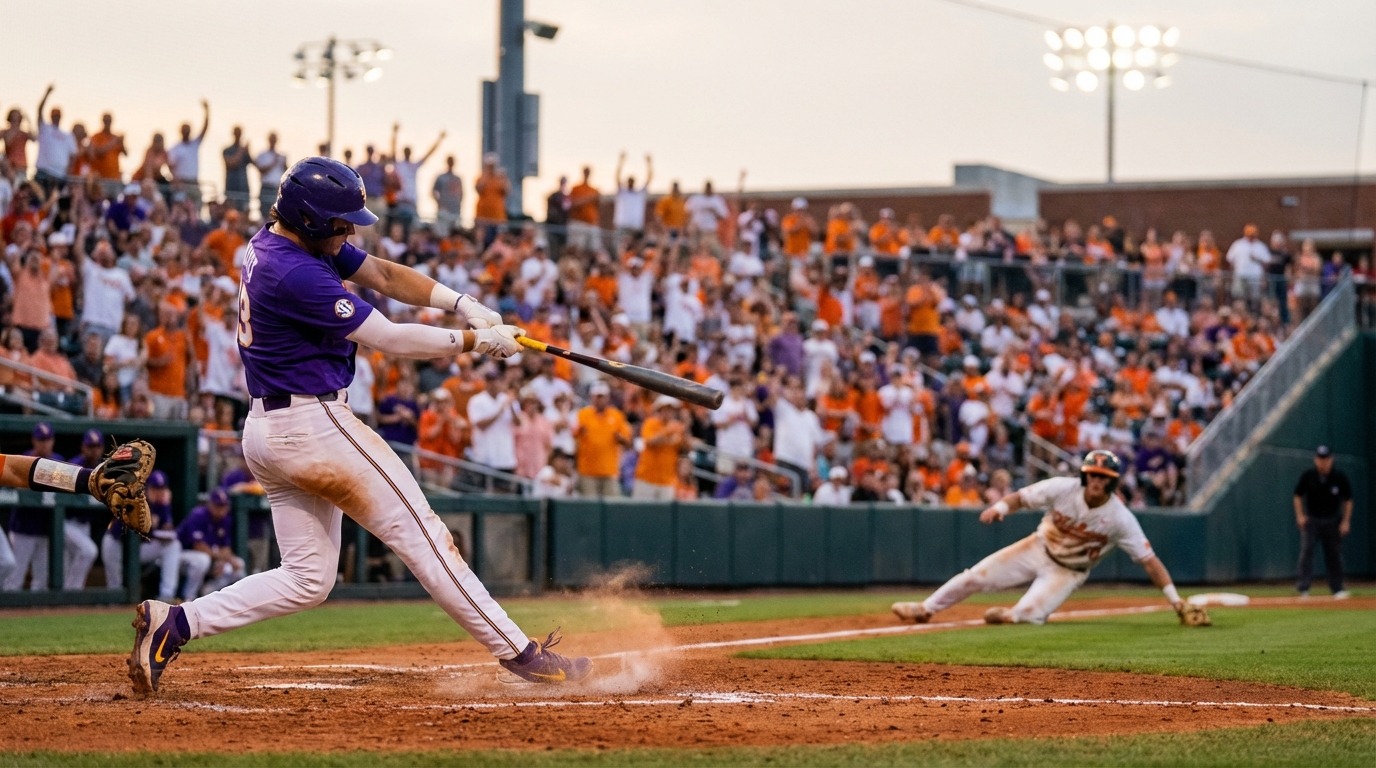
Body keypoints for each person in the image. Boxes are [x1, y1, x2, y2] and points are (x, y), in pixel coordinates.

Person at [126, 156, 591, 696]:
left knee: (307, 580)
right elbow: (389, 338)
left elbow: (385, 275)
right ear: (311, 220)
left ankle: (176, 624)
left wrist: (462, 304)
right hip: (312, 424)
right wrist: (475, 341)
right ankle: (523, 655)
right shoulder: (294, 271)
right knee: (425, 535)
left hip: (270, 429)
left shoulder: (287, 238)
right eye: (341, 223)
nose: (349, 231)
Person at [892, 451, 1194, 626]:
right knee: (976, 575)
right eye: (1092, 474)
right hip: (1037, 547)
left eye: (1103, 477)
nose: (1096, 481)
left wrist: (1176, 601)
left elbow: (1149, 561)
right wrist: (999, 507)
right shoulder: (1064, 487)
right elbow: (1021, 498)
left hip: (1068, 571)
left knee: (1028, 614)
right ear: (1084, 475)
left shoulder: (1120, 517)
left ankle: (1012, 615)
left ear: (1112, 482)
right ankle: (926, 608)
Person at [2, 423, 147, 592]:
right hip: (24, 527)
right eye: (41, 440)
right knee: (15, 576)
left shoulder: (58, 459)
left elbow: (38, 474)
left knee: (41, 580)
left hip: (45, 528)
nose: (44, 443)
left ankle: (62, 602)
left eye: (47, 439)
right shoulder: (26, 458)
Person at [102, 470, 181, 602]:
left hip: (139, 549)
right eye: (155, 488)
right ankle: (113, 600)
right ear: (146, 487)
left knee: (173, 545)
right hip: (118, 544)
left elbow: (167, 528)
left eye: (162, 488)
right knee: (114, 586)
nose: (158, 492)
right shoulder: (135, 498)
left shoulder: (162, 503)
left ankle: (166, 596)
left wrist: (165, 506)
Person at [1293, 445, 1352, 599]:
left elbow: (1348, 500)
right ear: (1315, 460)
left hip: (1332, 520)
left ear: (1331, 460)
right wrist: (1300, 515)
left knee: (1334, 554)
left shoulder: (1339, 477)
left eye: (1326, 459)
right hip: (1313, 519)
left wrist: (1346, 521)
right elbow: (1298, 495)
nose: (1323, 462)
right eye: (1320, 459)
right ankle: (1303, 588)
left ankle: (1337, 588)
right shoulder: (1308, 476)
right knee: (1307, 551)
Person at [176, 489, 245, 601]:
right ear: (210, 504)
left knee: (238, 565)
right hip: (182, 556)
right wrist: (220, 559)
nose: (221, 509)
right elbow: (198, 546)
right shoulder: (199, 515)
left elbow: (226, 548)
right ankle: (189, 597)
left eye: (224, 506)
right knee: (202, 560)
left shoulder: (226, 519)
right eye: (218, 506)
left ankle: (208, 593)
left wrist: (223, 560)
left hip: (210, 557)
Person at [573, 380, 631, 497]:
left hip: (609, 470)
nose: (600, 400)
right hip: (588, 470)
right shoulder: (583, 414)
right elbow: (575, 435)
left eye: (602, 397)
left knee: (611, 507)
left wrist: (620, 438)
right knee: (590, 507)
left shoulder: (616, 416)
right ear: (591, 397)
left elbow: (627, 440)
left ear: (608, 397)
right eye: (597, 397)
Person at [633, 397, 685, 501]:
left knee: (664, 515)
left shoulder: (677, 427)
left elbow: (684, 445)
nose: (668, 412)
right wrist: (667, 431)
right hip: (646, 478)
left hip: (667, 480)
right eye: (665, 409)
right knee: (640, 513)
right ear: (659, 410)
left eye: (671, 409)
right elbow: (650, 441)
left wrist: (686, 426)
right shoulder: (650, 423)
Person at [166, 100, 210, 204]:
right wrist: (176, 180)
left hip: (194, 182)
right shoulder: (175, 148)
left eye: (188, 129)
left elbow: (205, 129)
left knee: (198, 205)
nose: (186, 131)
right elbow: (170, 166)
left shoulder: (195, 144)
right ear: (180, 131)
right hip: (181, 183)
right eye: (184, 129)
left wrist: (207, 111)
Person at [613, 152, 652, 237]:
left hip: (635, 227)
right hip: (622, 225)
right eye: (629, 181)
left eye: (632, 181)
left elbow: (649, 179)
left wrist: (649, 163)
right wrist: (621, 161)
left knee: (635, 248)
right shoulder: (623, 192)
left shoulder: (639, 193)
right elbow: (616, 177)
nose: (630, 183)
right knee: (621, 247)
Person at [252, 132, 287, 222]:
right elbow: (261, 170)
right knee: (264, 212)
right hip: (266, 187)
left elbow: (286, 172)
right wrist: (273, 162)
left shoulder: (281, 156)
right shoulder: (262, 155)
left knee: (275, 213)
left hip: (276, 188)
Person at [223, 126, 252, 212]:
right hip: (231, 188)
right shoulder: (227, 150)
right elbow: (232, 163)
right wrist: (241, 150)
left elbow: (252, 163)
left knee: (244, 211)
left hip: (243, 188)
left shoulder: (244, 150)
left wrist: (248, 151)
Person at [432, 155, 464, 234]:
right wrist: (439, 204)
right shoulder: (441, 177)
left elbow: (462, 193)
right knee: (443, 234)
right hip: (445, 211)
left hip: (455, 211)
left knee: (456, 235)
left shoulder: (457, 179)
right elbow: (433, 191)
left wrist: (459, 204)